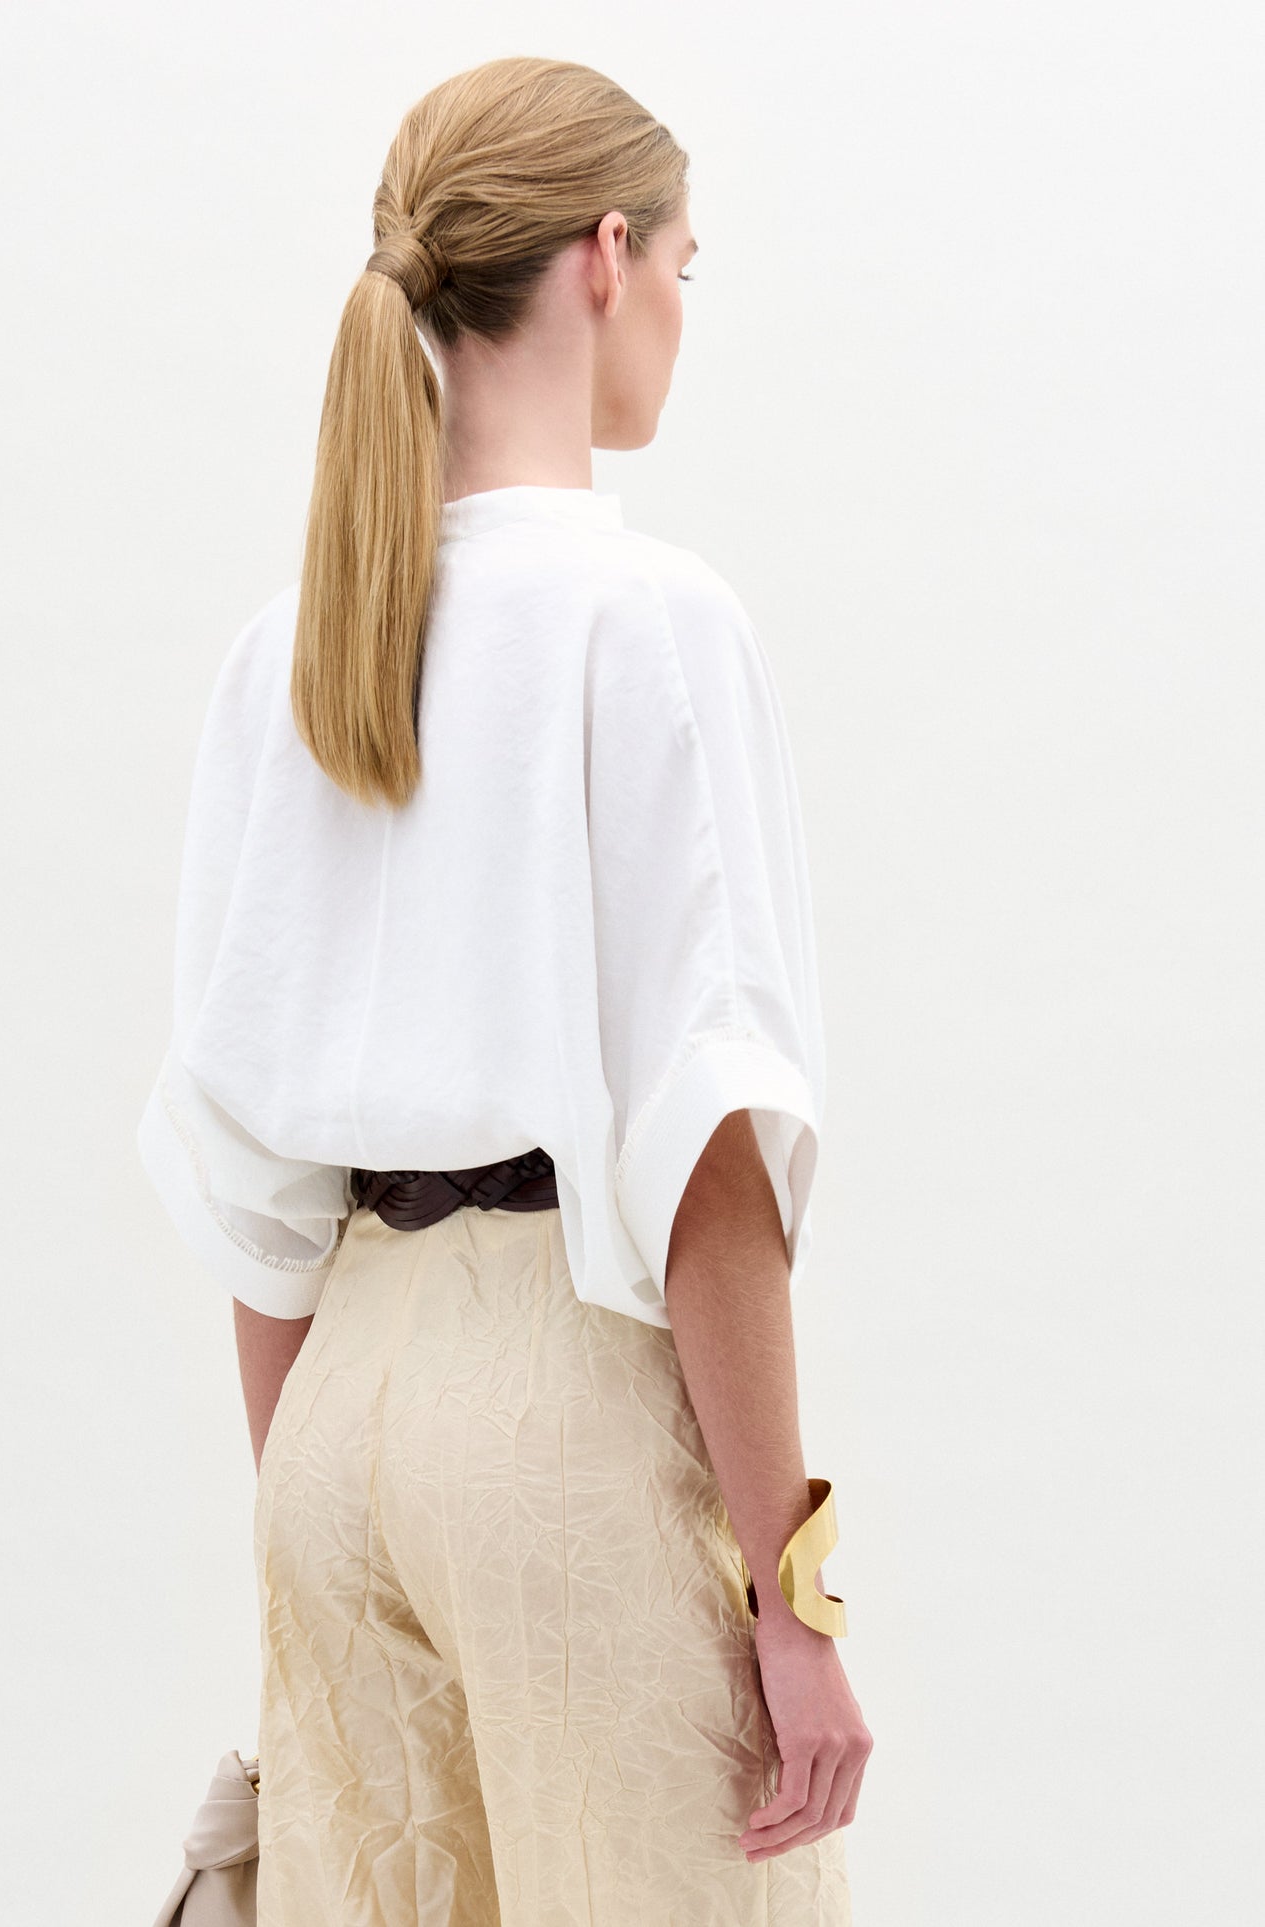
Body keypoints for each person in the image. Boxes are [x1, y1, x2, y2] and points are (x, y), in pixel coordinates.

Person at [137, 52, 872, 1927]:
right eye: (687, 267)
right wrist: (794, 1602)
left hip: (328, 1429)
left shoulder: (286, 656)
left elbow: (256, 1198)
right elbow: (705, 1158)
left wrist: (313, 1526)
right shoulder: (649, 622)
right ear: (606, 257)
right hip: (561, 1414)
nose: (681, 311)